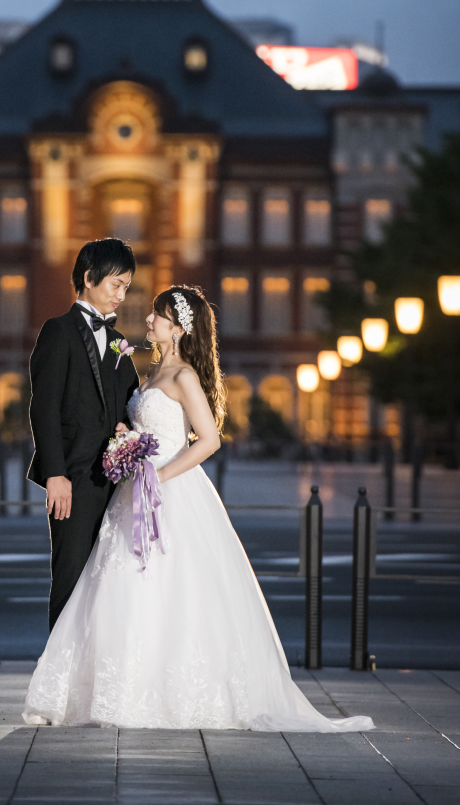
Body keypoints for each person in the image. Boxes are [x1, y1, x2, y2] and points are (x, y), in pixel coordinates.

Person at [23, 284, 374, 732]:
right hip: (134, 491)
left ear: (177, 328)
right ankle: (116, 692)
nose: (148, 320)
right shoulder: (151, 371)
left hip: (169, 491)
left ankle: (169, 694)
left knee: (169, 589)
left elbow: (208, 440)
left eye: (157, 315)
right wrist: (125, 439)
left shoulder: (184, 376)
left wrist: (160, 476)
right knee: (119, 587)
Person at [28, 237, 140, 630]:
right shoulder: (57, 331)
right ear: (89, 278)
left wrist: (129, 428)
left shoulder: (118, 342)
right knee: (71, 577)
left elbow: (131, 401)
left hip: (115, 481)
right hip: (73, 478)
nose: (121, 296)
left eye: (127, 287)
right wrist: (55, 475)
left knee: (106, 585)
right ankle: (60, 667)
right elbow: (43, 407)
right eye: (116, 284)